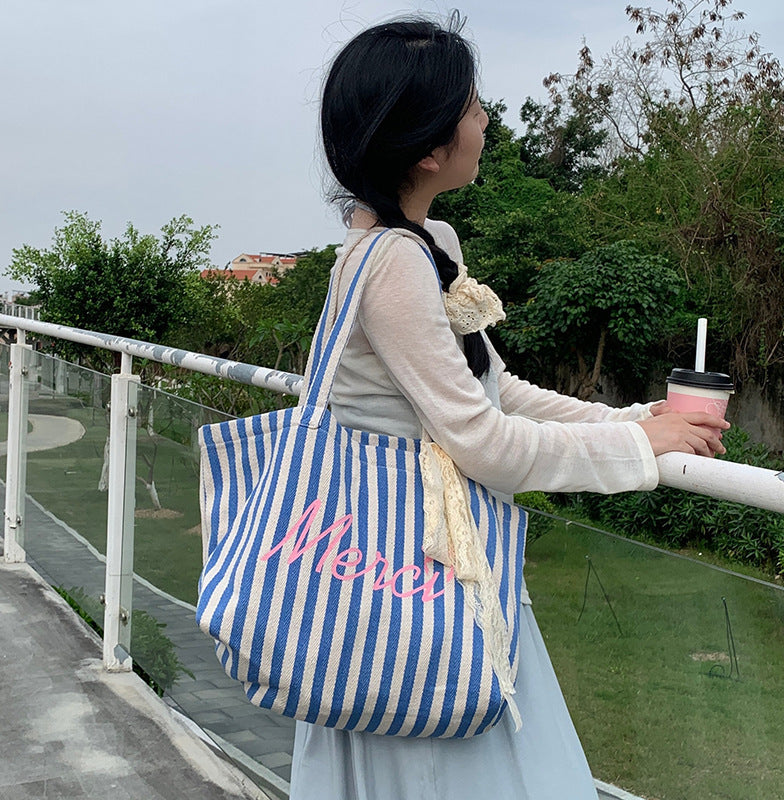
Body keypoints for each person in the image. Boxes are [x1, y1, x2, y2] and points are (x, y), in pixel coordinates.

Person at [289, 13, 729, 800]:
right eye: (470, 106)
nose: (486, 119)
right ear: (428, 149)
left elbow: (497, 389)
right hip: (412, 585)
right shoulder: (390, 263)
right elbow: (485, 443)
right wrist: (640, 449)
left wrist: (634, 420)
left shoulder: (426, 243)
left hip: (409, 569)